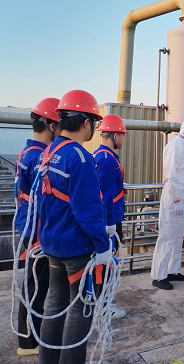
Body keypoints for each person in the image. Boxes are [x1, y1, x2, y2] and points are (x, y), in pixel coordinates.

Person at [37, 90, 112, 364]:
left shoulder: (50, 152)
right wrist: (103, 246)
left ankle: (47, 359)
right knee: (80, 307)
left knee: (54, 302)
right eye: (95, 122)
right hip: (76, 247)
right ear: (86, 122)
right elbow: (88, 210)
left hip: (52, 244)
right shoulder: (80, 157)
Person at [14, 97, 60, 356]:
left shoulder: (26, 152)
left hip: (28, 225)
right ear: (52, 126)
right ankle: (29, 342)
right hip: (37, 231)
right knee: (37, 287)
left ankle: (29, 337)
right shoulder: (40, 157)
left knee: (33, 284)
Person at [151, 117, 184, 290]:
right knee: (167, 236)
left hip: (183, 196)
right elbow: (170, 176)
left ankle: (172, 270)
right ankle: (158, 276)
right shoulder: (174, 145)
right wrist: (175, 200)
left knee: (178, 235)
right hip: (173, 198)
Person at [93, 114, 127, 319]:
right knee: (106, 263)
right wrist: (109, 223)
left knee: (106, 262)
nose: (123, 139)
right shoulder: (106, 159)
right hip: (109, 220)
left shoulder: (103, 156)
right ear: (114, 135)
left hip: (110, 217)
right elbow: (104, 195)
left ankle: (103, 302)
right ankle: (104, 306)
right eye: (122, 135)